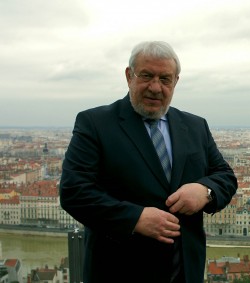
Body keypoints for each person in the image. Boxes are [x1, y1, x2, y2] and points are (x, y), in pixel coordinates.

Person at [60, 41, 238, 283]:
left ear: (176, 81)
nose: (155, 87)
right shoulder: (95, 123)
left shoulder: (196, 126)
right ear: (128, 76)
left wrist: (205, 191)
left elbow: (225, 177)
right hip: (119, 271)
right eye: (146, 76)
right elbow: (74, 192)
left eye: (165, 79)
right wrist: (134, 218)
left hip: (185, 272)